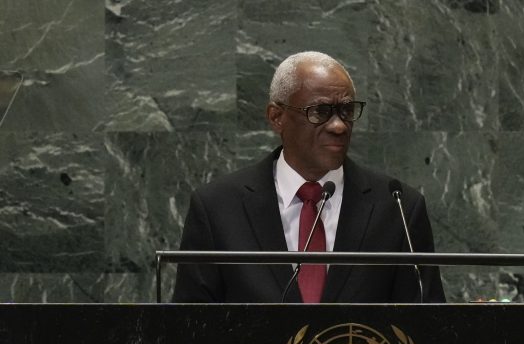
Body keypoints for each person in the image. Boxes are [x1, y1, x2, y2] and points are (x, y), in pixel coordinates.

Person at [172, 51, 444, 303]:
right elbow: (188, 326)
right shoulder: (218, 208)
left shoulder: (398, 208)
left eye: (346, 111)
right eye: (320, 112)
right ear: (277, 117)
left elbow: (427, 325)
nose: (338, 126)